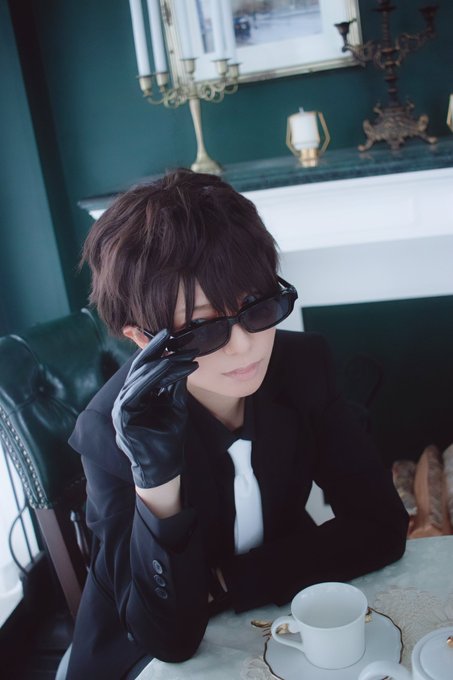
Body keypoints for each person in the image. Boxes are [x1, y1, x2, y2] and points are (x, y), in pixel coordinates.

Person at [66, 169, 408, 679]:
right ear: (141, 339)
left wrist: (227, 580)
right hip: (144, 655)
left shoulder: (302, 365)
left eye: (255, 306)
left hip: (276, 616)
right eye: (202, 327)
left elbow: (381, 527)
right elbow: (169, 639)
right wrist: (156, 482)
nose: (245, 346)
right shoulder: (111, 431)